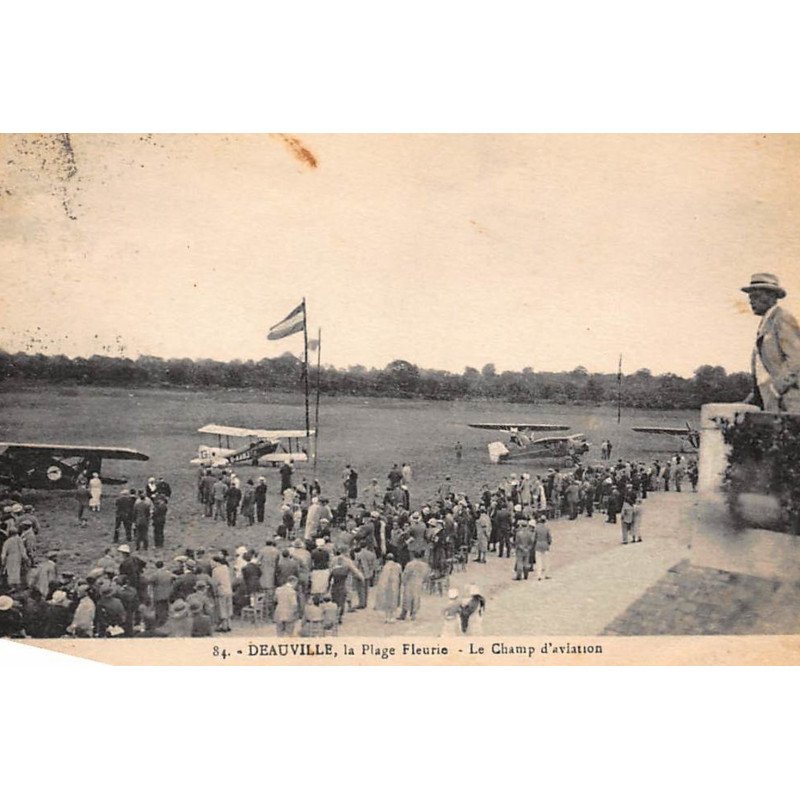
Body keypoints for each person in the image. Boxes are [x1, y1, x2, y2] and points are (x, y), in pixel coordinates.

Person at [741, 273, 800, 413]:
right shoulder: (766, 322)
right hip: (770, 399)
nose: (751, 301)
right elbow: (762, 369)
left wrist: (776, 389)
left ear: (772, 296)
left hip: (788, 401)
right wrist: (753, 397)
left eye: (756, 296)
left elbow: (796, 359)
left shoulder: (782, 318)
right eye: (750, 297)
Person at [398, 554, 430, 621]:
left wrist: (403, 581)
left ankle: (404, 614)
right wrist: (423, 581)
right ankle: (413, 614)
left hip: (410, 583)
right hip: (418, 583)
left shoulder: (410, 564)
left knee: (407, 598)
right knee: (416, 598)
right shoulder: (425, 565)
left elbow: (406, 574)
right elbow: (427, 576)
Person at [373, 553, 401, 623]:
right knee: (394, 600)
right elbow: (400, 575)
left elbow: (383, 577)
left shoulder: (385, 566)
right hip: (395, 584)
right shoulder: (398, 566)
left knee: (387, 601)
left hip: (387, 585)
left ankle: (387, 617)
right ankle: (392, 617)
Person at [533, 515, 551, 581]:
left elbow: (534, 538)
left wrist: (534, 544)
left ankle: (539, 575)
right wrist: (549, 543)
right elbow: (549, 538)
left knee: (538, 561)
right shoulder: (547, 528)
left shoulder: (536, 528)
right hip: (545, 544)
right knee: (546, 560)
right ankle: (546, 574)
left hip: (538, 544)